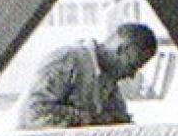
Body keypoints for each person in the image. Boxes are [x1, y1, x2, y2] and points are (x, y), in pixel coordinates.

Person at [16, 23, 157, 129]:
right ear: (121, 49)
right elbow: (34, 114)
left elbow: (118, 123)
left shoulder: (109, 79)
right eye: (132, 66)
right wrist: (92, 119)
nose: (131, 75)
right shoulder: (69, 60)